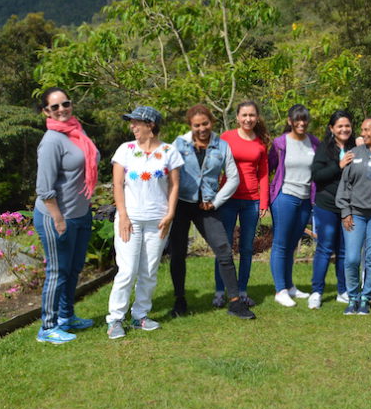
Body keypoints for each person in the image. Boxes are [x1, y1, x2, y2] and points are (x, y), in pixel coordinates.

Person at [168, 105, 254, 320]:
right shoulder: (178, 144)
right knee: (178, 253)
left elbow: (233, 177)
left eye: (205, 123)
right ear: (190, 126)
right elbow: (166, 171)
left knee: (224, 250)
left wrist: (216, 202)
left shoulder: (221, 146)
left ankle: (235, 302)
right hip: (180, 204)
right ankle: (180, 301)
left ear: (212, 123)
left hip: (205, 206)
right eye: (196, 125)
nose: (201, 128)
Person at [106, 106, 184, 339]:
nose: (132, 126)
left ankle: (140, 316)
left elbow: (174, 185)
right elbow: (118, 185)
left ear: (150, 125)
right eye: (131, 122)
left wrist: (170, 214)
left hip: (158, 221)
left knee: (149, 270)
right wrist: (123, 215)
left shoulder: (170, 152)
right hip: (129, 219)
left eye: (136, 122)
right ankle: (115, 319)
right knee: (127, 270)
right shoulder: (125, 150)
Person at [33, 88, 100, 344]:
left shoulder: (76, 131)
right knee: (58, 271)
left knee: (73, 269)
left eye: (66, 104)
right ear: (46, 111)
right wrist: (58, 219)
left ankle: (66, 316)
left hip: (80, 214)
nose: (62, 110)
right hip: (57, 217)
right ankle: (47, 328)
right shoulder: (51, 141)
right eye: (55, 107)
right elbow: (44, 188)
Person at [337, 116, 371, 315]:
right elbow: (345, 186)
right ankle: (352, 297)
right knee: (351, 258)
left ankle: (365, 298)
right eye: (362, 129)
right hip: (355, 215)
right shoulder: (354, 154)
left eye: (367, 129)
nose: (363, 133)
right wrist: (345, 212)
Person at [267, 104, 320, 307]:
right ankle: (280, 290)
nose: (301, 123)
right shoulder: (280, 143)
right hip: (285, 197)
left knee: (292, 245)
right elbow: (269, 166)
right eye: (297, 119)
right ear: (290, 121)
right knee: (281, 243)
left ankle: (289, 286)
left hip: (306, 199)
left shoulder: (313, 142)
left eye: (304, 119)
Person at [219, 101, 270, 307]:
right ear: (237, 117)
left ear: (257, 117)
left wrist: (264, 202)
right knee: (224, 247)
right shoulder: (226, 138)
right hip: (228, 199)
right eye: (244, 115)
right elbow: (215, 165)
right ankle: (219, 291)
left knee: (247, 248)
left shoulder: (260, 142)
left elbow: (264, 175)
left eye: (252, 115)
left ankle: (241, 290)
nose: (248, 119)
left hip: (251, 202)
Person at [309, 110, 354, 309]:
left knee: (344, 250)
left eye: (347, 126)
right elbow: (317, 175)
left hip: (348, 208)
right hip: (326, 205)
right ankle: (316, 292)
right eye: (340, 126)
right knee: (325, 248)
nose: (344, 129)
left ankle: (343, 291)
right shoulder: (324, 148)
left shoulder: (356, 147)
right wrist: (339, 165)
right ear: (332, 129)